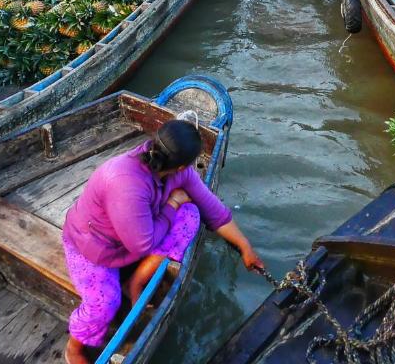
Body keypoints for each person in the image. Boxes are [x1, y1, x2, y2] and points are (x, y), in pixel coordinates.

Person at [61, 119, 263, 364]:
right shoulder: (125, 182)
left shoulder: (177, 172)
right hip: (93, 246)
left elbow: (214, 211)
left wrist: (245, 247)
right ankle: (74, 349)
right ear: (180, 166)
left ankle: (136, 282)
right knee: (105, 303)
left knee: (192, 215)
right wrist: (172, 204)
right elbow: (143, 245)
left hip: (137, 235)